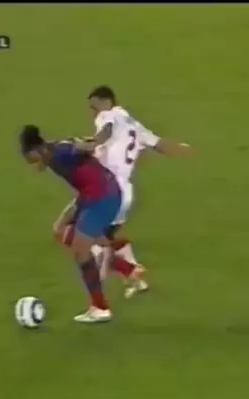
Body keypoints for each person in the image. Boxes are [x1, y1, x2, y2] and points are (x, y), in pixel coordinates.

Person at [53, 86, 192, 297]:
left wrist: (92, 143)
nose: (94, 112)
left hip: (104, 189)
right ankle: (133, 275)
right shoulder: (134, 125)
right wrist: (184, 149)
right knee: (97, 236)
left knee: (76, 235)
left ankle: (122, 276)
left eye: (94, 107)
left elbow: (106, 130)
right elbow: (160, 145)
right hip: (124, 192)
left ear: (105, 101)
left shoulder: (108, 115)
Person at [19, 125, 145, 323]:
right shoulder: (53, 151)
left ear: (38, 150)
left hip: (103, 197)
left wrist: (88, 145)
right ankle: (129, 270)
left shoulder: (61, 152)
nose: (33, 166)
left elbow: (78, 148)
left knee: (81, 249)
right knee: (61, 231)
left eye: (31, 160)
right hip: (90, 195)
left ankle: (100, 308)